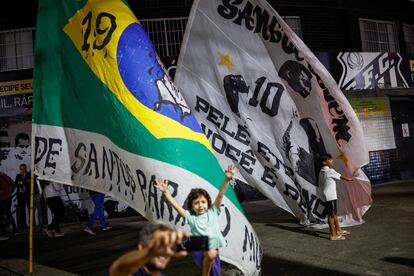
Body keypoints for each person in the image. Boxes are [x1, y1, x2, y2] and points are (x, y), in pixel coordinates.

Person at [154, 165, 236, 276]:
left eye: (203, 202)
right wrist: (166, 193)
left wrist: (227, 179)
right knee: (210, 254)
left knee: (215, 271)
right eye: (196, 203)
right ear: (192, 207)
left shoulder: (213, 211)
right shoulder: (191, 218)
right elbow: (176, 207)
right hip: (199, 248)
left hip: (212, 247)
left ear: (208, 203)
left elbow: (221, 194)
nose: (200, 205)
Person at [109, 222, 188, 276]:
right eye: (160, 244)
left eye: (170, 246)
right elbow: (118, 269)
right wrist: (150, 252)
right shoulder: (133, 272)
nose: (164, 251)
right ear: (142, 247)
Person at [319, 153, 354, 241]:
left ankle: (338, 230)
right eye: (329, 160)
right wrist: (348, 179)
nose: (332, 161)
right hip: (330, 195)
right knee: (331, 215)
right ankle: (333, 235)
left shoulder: (322, 170)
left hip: (328, 194)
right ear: (324, 162)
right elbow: (340, 176)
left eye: (331, 159)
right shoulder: (328, 170)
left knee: (333, 213)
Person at [0, 172, 19, 240]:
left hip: (2, 199)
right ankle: (15, 231)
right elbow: (14, 184)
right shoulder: (4, 175)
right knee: (9, 214)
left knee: (1, 217)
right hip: (8, 198)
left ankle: (4, 235)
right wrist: (10, 193)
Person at [14, 163, 32, 229]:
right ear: (20, 169)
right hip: (20, 196)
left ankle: (32, 224)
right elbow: (16, 183)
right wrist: (22, 183)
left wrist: (22, 183)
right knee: (22, 211)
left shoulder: (29, 175)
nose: (22, 170)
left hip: (28, 195)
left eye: (23, 169)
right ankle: (23, 225)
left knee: (30, 210)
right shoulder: (18, 175)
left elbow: (30, 184)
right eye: (21, 169)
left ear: (26, 168)